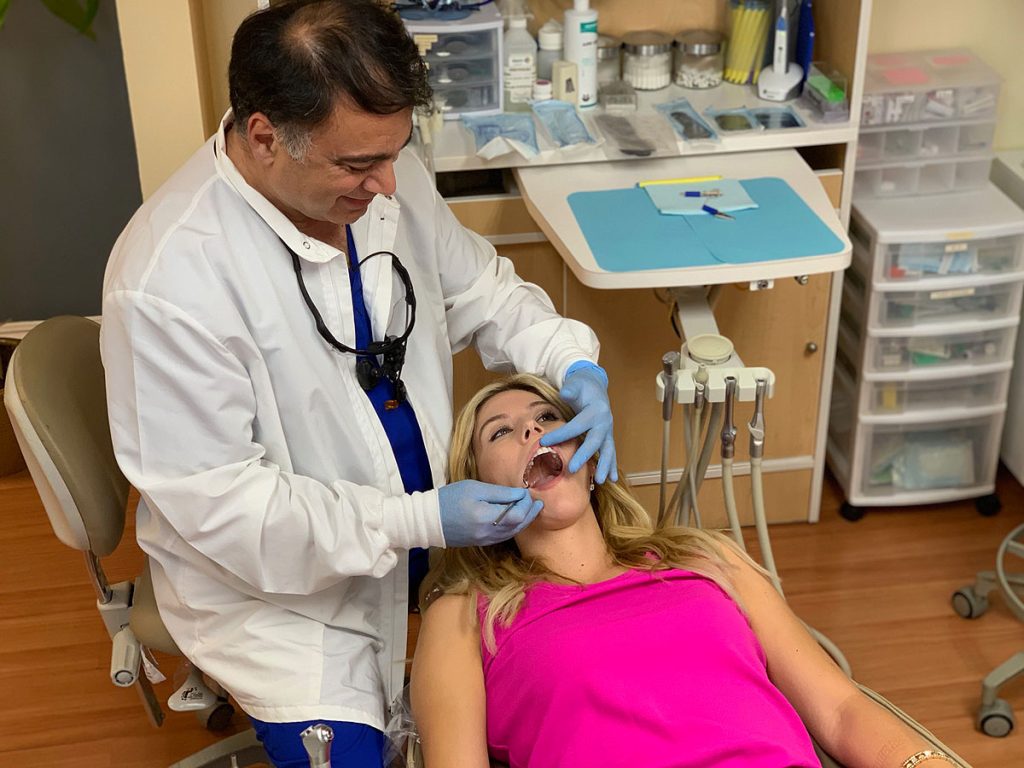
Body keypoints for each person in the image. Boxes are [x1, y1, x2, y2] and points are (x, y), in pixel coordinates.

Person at [99, 2, 616, 766]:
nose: (385, 183)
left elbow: (487, 294)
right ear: (266, 135)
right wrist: (417, 521)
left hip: (431, 534)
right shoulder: (167, 283)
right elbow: (236, 512)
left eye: (396, 151)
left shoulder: (380, 171)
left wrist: (575, 363)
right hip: (280, 593)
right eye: (355, 165)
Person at [410, 374, 961, 768]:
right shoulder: (464, 615)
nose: (533, 432)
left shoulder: (703, 559)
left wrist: (921, 761)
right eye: (500, 433)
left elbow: (839, 709)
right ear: (474, 481)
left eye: (548, 417)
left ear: (589, 451)